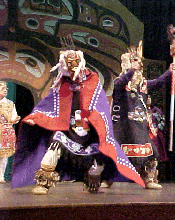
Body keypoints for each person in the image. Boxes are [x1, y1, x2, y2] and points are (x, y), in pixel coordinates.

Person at [12, 48, 144, 194]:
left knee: (97, 163)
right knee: (53, 149)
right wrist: (35, 118)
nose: (72, 68)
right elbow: (48, 106)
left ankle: (93, 182)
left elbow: (100, 108)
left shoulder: (92, 81)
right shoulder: (61, 84)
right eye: (68, 64)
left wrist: (94, 120)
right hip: (67, 129)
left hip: (90, 131)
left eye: (74, 63)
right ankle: (44, 184)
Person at [110, 41, 175, 189]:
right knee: (114, 155)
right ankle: (107, 178)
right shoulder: (120, 82)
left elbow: (158, 82)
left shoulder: (143, 84)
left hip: (139, 127)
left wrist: (170, 71)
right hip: (123, 126)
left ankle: (148, 179)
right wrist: (131, 71)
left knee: (151, 154)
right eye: (135, 65)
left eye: (139, 67)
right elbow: (121, 82)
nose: (138, 69)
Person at [0, 81, 20, 183]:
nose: (5, 90)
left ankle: (1, 175)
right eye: (3, 88)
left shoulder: (10, 104)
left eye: (6, 89)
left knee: (4, 155)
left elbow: (13, 116)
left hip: (6, 132)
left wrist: (15, 119)